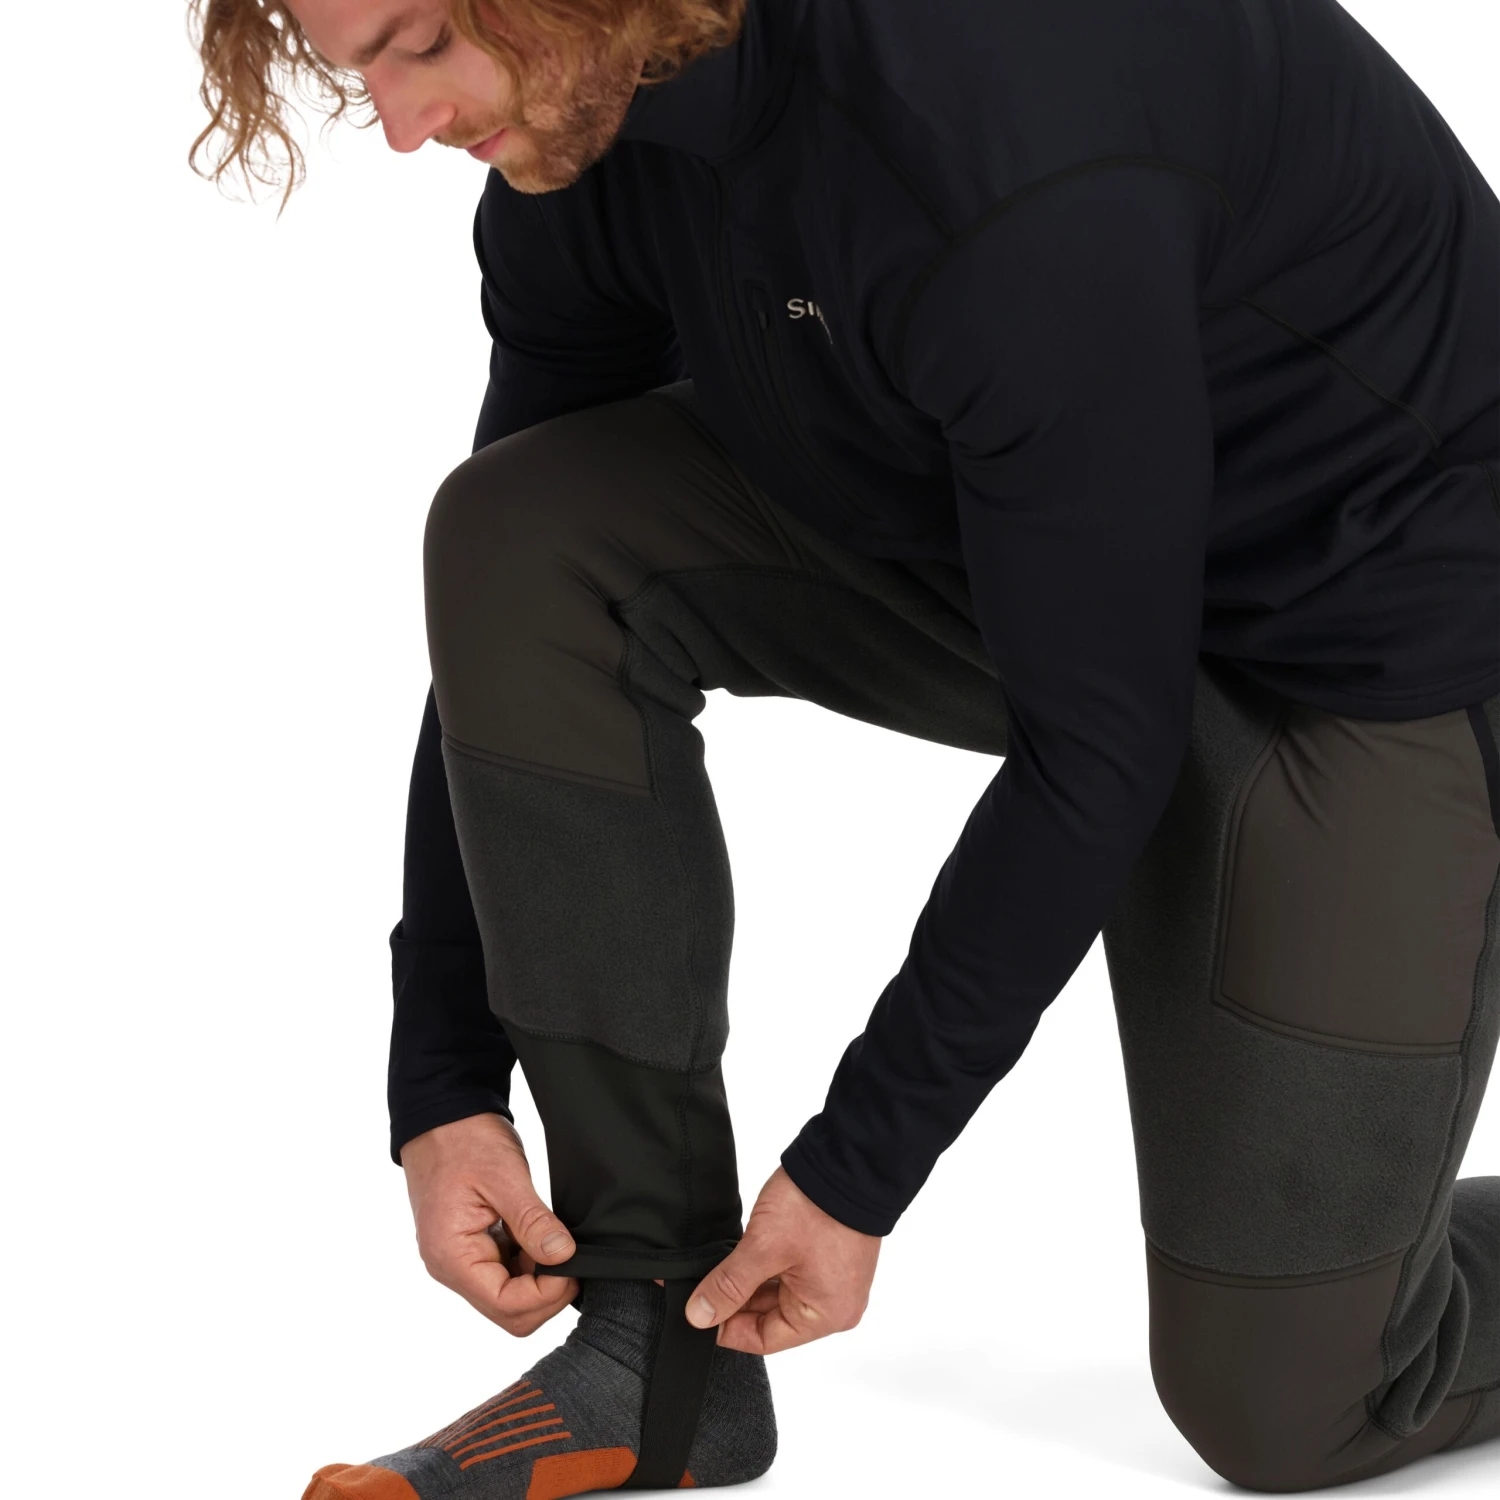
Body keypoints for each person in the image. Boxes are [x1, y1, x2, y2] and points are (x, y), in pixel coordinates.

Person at [190, 0, 1500, 1493]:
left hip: (1368, 653)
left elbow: (1101, 745)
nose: (402, 126)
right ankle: (656, 1348)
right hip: (1039, 565)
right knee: (520, 526)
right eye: (356, 67)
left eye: (423, 43)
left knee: (1290, 1400)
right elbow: (499, 602)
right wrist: (442, 1079)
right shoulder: (585, 126)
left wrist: (856, 1168)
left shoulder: (992, 141)